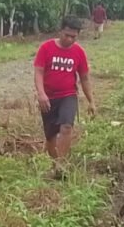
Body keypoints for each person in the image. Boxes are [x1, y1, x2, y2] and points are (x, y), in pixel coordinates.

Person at [34, 16, 97, 178]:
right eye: (66, 35)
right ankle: (55, 165)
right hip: (48, 98)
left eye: (73, 37)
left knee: (66, 127)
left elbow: (84, 78)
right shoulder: (46, 48)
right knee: (50, 136)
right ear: (60, 31)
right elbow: (39, 72)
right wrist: (41, 94)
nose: (69, 39)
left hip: (68, 95)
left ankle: (61, 165)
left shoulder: (79, 52)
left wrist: (91, 101)